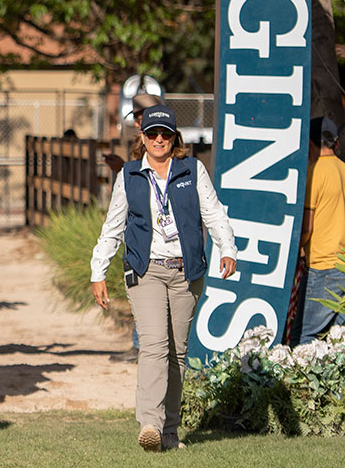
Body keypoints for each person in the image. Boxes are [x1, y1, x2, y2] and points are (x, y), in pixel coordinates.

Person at [90, 104, 237, 452]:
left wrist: (227, 248)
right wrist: (98, 270)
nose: (159, 139)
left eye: (165, 134)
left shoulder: (192, 170)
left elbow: (213, 213)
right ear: (142, 137)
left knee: (178, 354)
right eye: (152, 134)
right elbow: (113, 227)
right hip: (146, 271)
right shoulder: (128, 175)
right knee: (155, 345)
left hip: (186, 273)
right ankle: (150, 424)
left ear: (175, 138)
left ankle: (170, 433)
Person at [297, 116, 345, 343]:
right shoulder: (343, 169)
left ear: (310, 142)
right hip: (342, 264)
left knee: (306, 337)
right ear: (335, 143)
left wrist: (295, 252)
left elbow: (307, 227)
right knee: (337, 343)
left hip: (322, 266)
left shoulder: (314, 173)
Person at [103, 92, 164, 174]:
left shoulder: (164, 142)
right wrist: (122, 167)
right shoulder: (140, 142)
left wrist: (123, 168)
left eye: (140, 119)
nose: (136, 124)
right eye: (135, 119)